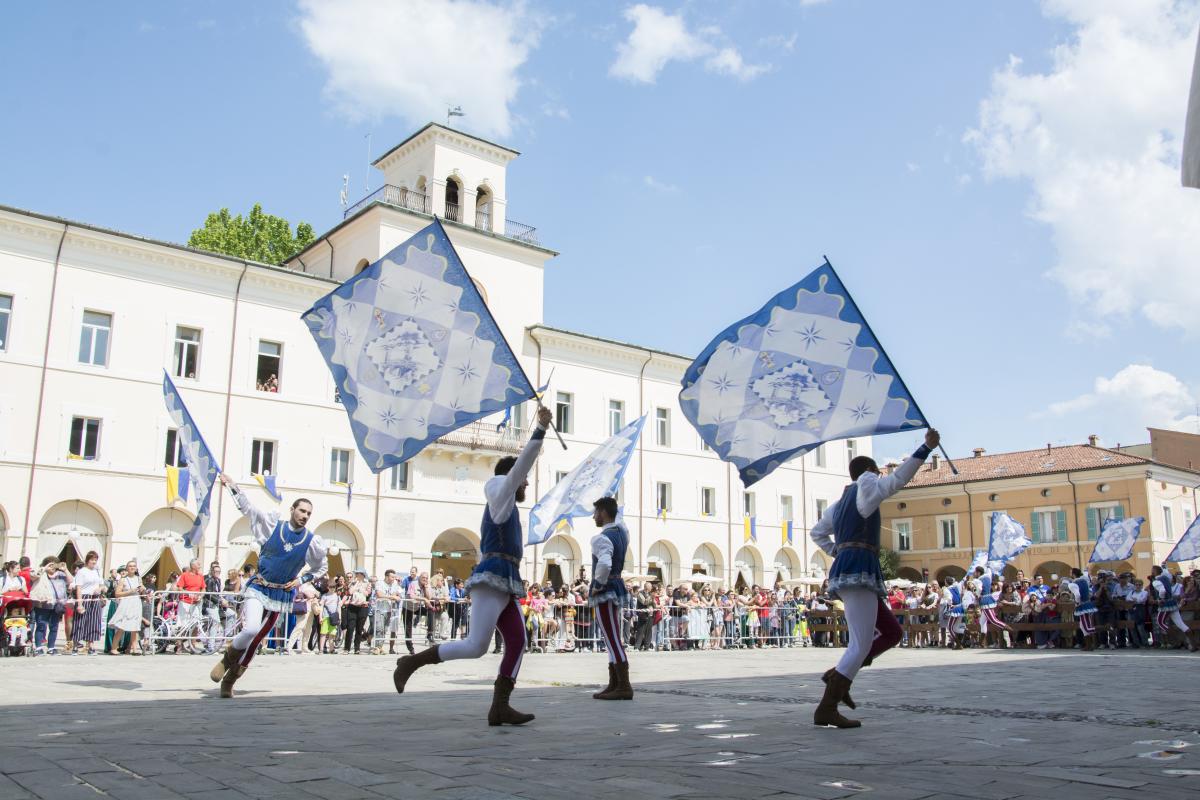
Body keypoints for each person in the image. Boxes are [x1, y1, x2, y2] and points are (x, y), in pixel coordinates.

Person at [393, 405, 553, 726]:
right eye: (523, 481)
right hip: (492, 579)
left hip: (505, 582)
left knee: (518, 642)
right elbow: (516, 473)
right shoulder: (498, 490)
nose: (526, 486)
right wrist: (540, 430)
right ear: (514, 477)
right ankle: (412, 662)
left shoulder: (508, 503)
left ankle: (500, 706)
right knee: (476, 645)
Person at [809, 429, 939, 728]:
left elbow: (817, 532)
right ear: (869, 471)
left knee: (891, 632)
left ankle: (838, 676)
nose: (879, 476)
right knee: (861, 644)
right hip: (859, 572)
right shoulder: (867, 486)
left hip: (853, 570)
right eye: (876, 472)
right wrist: (925, 448)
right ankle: (828, 705)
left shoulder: (839, 502)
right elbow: (895, 482)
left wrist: (838, 551)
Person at [210, 474, 328, 697]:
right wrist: (232, 486)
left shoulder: (312, 541)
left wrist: (302, 579)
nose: (305, 516)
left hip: (279, 596)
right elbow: (249, 509)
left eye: (309, 513)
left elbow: (321, 567)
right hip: (259, 587)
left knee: (256, 640)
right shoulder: (272, 524)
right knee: (251, 628)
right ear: (292, 509)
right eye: (302, 511)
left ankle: (231, 680)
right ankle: (227, 660)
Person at [586, 496, 633, 700]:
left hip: (606, 589)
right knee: (611, 636)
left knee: (612, 637)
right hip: (616, 584)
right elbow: (621, 521)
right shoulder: (622, 532)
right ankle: (615, 684)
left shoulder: (601, 537)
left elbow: (604, 564)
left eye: (596, 512)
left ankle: (622, 685)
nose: (594, 517)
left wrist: (597, 585)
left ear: (603, 513)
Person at [1151, 564, 1194, 650]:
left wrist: (1161, 599)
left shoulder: (1156, 581)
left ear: (1154, 572)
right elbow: (1168, 578)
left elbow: (1162, 590)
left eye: (1152, 570)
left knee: (1160, 622)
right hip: (1172, 602)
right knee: (1180, 624)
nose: (1151, 572)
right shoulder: (1166, 578)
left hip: (1165, 604)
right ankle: (1193, 644)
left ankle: (1176, 640)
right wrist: (1165, 568)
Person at [106, 560, 144, 655]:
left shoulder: (139, 579)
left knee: (135, 627)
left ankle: (134, 649)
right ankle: (114, 648)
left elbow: (142, 589)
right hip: (126, 603)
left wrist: (143, 590)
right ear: (127, 568)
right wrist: (130, 591)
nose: (132, 567)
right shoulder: (123, 580)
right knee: (121, 626)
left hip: (136, 602)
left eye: (134, 566)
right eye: (130, 566)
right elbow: (117, 594)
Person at [71, 551, 105, 655]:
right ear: (87, 560)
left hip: (95, 598)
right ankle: (75, 645)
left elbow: (102, 585)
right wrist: (80, 604)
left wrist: (100, 589)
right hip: (84, 597)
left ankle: (90, 646)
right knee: (80, 621)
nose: (94, 562)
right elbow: (79, 588)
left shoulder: (97, 571)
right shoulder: (82, 571)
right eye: (92, 559)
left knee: (93, 621)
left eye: (95, 559)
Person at [1069, 568, 1097, 651]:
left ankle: (1105, 627)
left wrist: (1077, 603)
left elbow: (1077, 595)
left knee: (1086, 627)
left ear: (1073, 574)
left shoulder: (1072, 584)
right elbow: (1090, 591)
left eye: (1070, 572)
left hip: (1082, 606)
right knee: (1082, 626)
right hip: (1088, 603)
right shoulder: (1085, 580)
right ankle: (1089, 645)